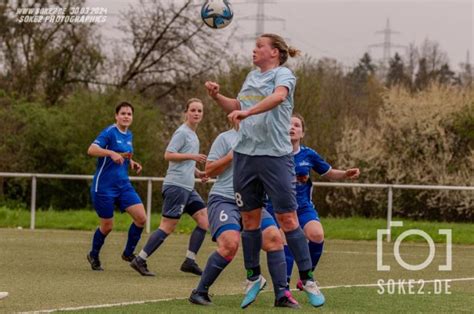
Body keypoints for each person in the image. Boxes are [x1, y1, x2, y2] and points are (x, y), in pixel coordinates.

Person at [205, 33, 324, 307]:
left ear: (275, 52)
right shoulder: (250, 76)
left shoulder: (284, 75)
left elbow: (278, 98)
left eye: (259, 46)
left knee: (288, 220)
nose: (254, 50)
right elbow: (237, 106)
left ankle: (307, 278)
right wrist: (216, 97)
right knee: (250, 221)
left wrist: (247, 114)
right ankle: (254, 277)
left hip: (275, 157)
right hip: (246, 157)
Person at [189, 128, 299, 309]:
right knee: (230, 244)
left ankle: (281, 295)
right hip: (224, 200)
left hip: (252, 203)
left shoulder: (266, 139)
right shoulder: (225, 138)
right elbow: (209, 169)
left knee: (274, 238)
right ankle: (199, 292)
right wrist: (233, 156)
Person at [266, 113, 360, 295]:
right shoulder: (273, 153)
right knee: (284, 239)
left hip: (302, 207)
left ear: (302, 133)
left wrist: (345, 174)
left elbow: (329, 173)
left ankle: (306, 278)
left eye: (296, 125)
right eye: (288, 124)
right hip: (277, 207)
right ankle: (283, 288)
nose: (292, 128)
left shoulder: (309, 155)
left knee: (317, 234)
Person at [131, 98, 209, 277]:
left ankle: (190, 261)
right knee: (167, 226)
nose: (197, 113)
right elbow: (169, 155)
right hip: (176, 186)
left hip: (188, 188)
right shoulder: (182, 132)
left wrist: (198, 173)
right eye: (193, 110)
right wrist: (193, 156)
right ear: (186, 112)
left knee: (204, 221)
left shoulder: (193, 134)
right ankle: (140, 259)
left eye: (200, 111)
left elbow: (185, 161)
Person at [86, 101, 147, 271]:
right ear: (116, 116)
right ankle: (94, 254)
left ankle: (128, 254)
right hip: (104, 187)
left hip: (123, 185)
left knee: (141, 218)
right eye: (123, 113)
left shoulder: (129, 135)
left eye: (129, 114)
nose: (126, 116)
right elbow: (91, 149)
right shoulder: (109, 132)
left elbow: (123, 155)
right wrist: (110, 153)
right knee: (107, 226)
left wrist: (132, 162)